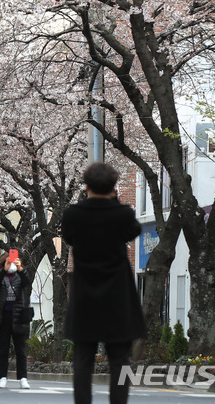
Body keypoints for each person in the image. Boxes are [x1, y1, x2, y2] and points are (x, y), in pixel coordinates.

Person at [61, 162, 146, 404]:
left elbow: (68, 237)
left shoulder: (72, 215)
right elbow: (134, 230)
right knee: (120, 360)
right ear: (113, 187)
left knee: (83, 360)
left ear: (86, 186)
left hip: (85, 293)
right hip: (118, 296)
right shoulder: (123, 214)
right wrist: (115, 202)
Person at [0, 250, 32, 389]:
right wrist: (4, 270)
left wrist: (21, 269)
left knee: (21, 350)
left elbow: (26, 282)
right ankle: (3, 377)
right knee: (3, 349)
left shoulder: (20, 275)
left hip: (18, 317)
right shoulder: (2, 276)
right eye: (8, 262)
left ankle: (23, 378)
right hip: (3, 317)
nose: (11, 264)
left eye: (13, 262)